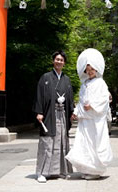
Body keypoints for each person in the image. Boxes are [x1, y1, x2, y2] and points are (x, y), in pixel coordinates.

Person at [65, 48, 113, 179]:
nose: (90, 72)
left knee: (95, 143)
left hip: (95, 119)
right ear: (85, 71)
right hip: (85, 119)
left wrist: (92, 105)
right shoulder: (84, 84)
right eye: (88, 69)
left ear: (96, 69)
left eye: (92, 69)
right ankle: (87, 169)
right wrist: (76, 112)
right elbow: (81, 100)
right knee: (85, 144)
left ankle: (95, 171)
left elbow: (104, 99)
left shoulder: (101, 83)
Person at [33, 50, 74, 183]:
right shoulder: (45, 78)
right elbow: (39, 95)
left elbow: (71, 98)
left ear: (64, 63)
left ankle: (61, 171)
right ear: (53, 61)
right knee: (47, 142)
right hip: (49, 114)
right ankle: (42, 172)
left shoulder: (66, 79)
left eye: (61, 60)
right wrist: (39, 112)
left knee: (61, 141)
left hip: (62, 114)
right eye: (57, 59)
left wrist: (72, 111)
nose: (59, 62)